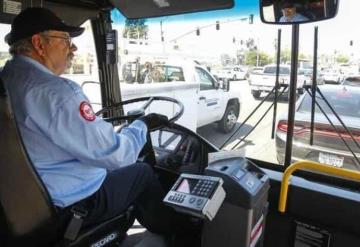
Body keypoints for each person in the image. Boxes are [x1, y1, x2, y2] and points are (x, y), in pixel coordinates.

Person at [0, 7, 189, 239]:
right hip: (70, 206)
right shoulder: (57, 93)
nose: (73, 47)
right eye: (66, 40)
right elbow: (117, 156)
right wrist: (142, 125)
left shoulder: (6, 79)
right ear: (39, 44)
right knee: (141, 172)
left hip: (19, 205)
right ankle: (181, 236)